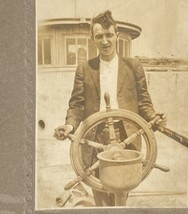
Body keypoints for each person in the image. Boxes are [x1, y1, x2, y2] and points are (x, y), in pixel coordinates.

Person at [54, 10, 167, 206]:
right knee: (99, 192)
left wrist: (154, 118)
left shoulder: (134, 66)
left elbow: (144, 103)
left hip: (126, 136)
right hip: (94, 136)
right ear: (92, 39)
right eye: (99, 36)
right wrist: (70, 127)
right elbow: (76, 105)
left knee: (121, 193)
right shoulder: (84, 68)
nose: (105, 41)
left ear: (117, 35)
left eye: (108, 35)